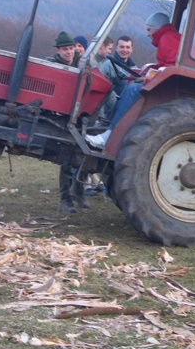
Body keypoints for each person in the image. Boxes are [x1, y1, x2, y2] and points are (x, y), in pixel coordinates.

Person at [86, 12, 181, 149]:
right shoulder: (168, 38)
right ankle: (107, 125)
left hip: (169, 87)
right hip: (165, 83)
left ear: (157, 27)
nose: (148, 33)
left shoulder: (167, 39)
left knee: (132, 89)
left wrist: (151, 78)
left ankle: (109, 136)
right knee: (130, 86)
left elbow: (172, 67)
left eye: (149, 29)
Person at [52, 31, 89, 212]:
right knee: (66, 159)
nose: (69, 52)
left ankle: (78, 191)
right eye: (65, 49)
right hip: (62, 118)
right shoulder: (53, 67)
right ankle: (64, 199)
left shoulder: (82, 66)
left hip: (81, 116)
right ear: (58, 51)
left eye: (71, 48)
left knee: (84, 157)